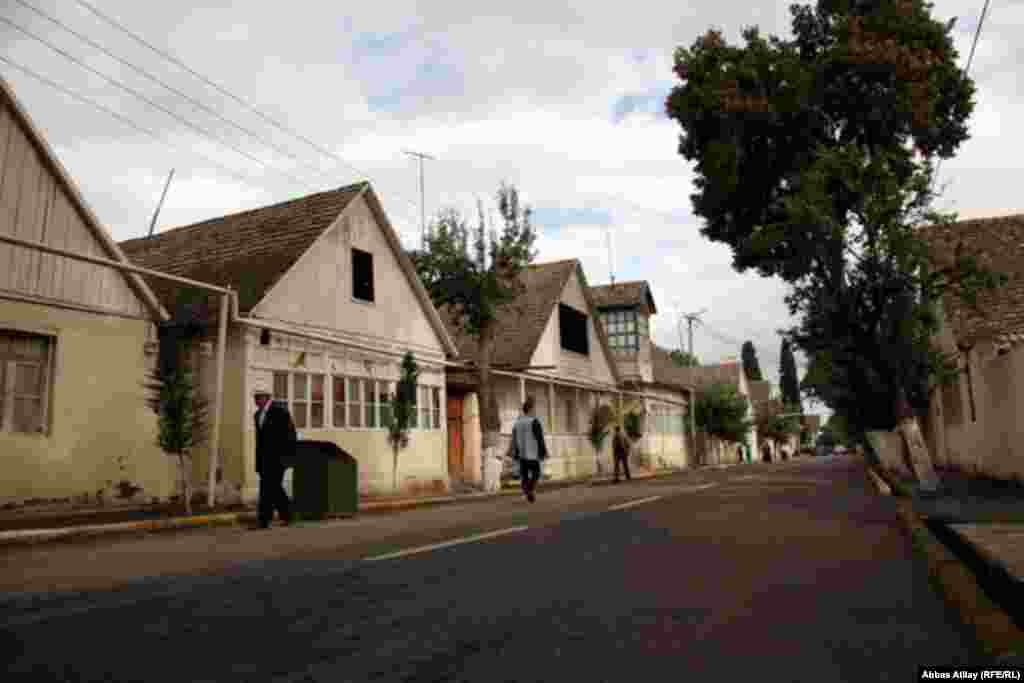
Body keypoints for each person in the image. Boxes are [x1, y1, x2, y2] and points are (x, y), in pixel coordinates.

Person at [253, 384, 296, 528]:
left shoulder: (280, 412)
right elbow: (259, 441)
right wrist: (258, 462)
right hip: (264, 460)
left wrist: (287, 458)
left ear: (267, 398)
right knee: (274, 489)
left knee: (268, 489)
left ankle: (264, 520)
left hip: (278, 459)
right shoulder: (257, 415)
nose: (256, 400)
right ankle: (288, 514)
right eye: (255, 397)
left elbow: (290, 436)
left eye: (259, 397)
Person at [510, 396, 548, 503]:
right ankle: (530, 489)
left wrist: (515, 452)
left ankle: (527, 491)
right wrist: (543, 452)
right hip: (533, 453)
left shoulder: (517, 423)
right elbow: (539, 438)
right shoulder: (534, 421)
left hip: (522, 454)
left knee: (524, 475)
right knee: (536, 472)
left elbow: (513, 438)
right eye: (534, 409)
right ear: (531, 409)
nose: (535, 411)